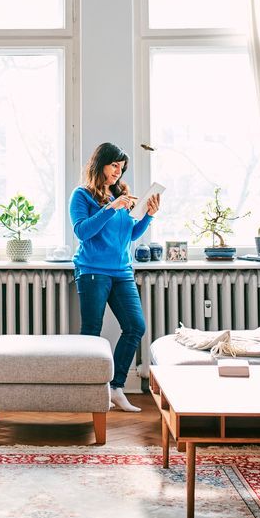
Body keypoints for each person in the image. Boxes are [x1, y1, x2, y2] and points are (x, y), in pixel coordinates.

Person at [69, 142, 161, 412]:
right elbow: (82, 232)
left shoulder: (121, 194)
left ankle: (115, 388)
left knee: (135, 326)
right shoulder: (82, 195)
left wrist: (149, 216)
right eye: (114, 166)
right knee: (91, 332)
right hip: (92, 271)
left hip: (122, 272)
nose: (118, 173)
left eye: (121, 168)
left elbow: (130, 234)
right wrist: (110, 208)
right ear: (101, 164)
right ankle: (89, 394)